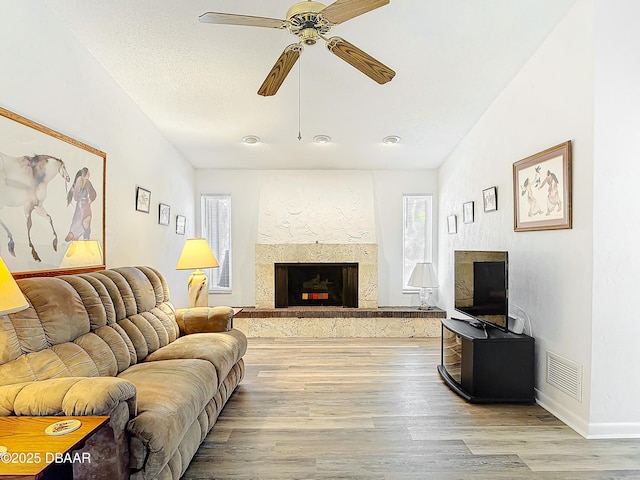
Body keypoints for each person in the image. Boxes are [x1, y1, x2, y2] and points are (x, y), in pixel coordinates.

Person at [65, 167, 97, 241]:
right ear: (86, 173)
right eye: (88, 173)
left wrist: (90, 199)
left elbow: (93, 194)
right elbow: (76, 195)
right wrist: (90, 199)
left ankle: (75, 235)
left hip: (83, 205)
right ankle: (77, 236)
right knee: (82, 221)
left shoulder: (86, 182)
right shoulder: (81, 180)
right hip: (83, 205)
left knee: (82, 221)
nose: (89, 174)